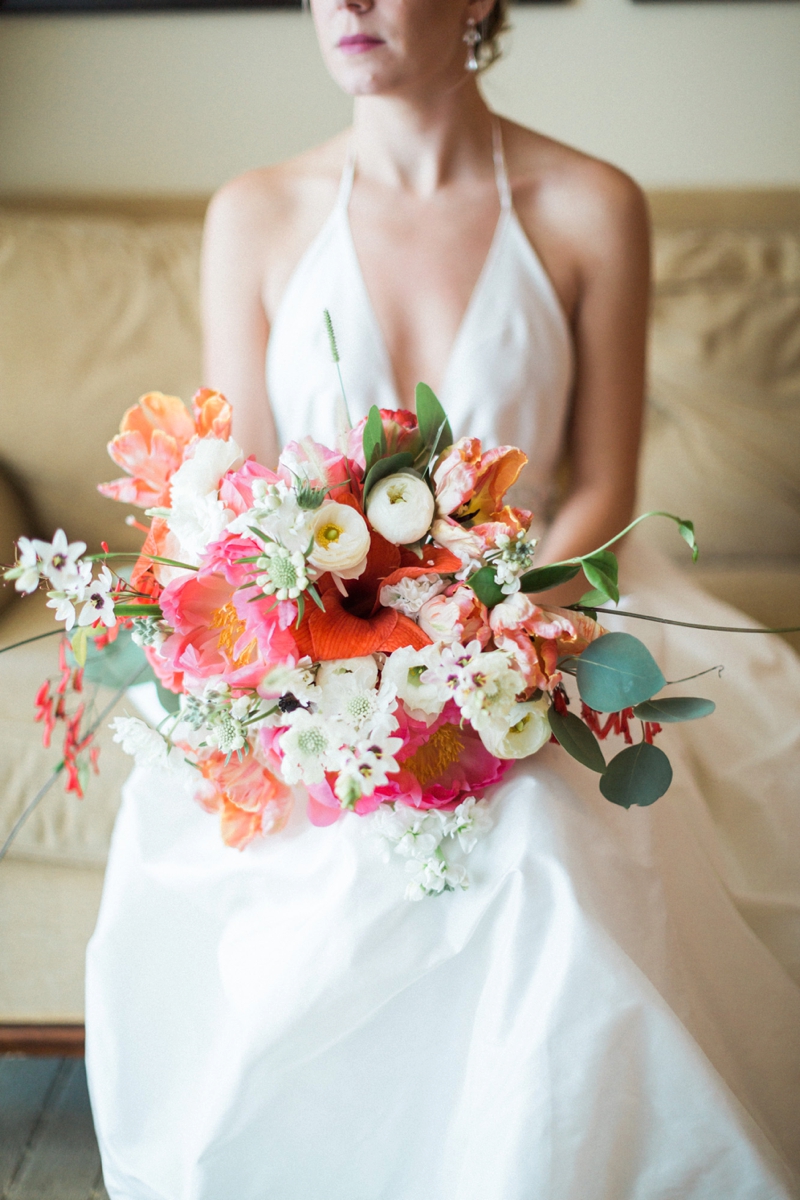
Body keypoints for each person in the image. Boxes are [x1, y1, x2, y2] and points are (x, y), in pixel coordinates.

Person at [85, 2, 800, 1197]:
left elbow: (604, 489)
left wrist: (488, 641)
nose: (348, 4)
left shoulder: (592, 205)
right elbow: (235, 501)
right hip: (313, 645)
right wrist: (319, 667)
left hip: (538, 608)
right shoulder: (253, 215)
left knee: (543, 839)